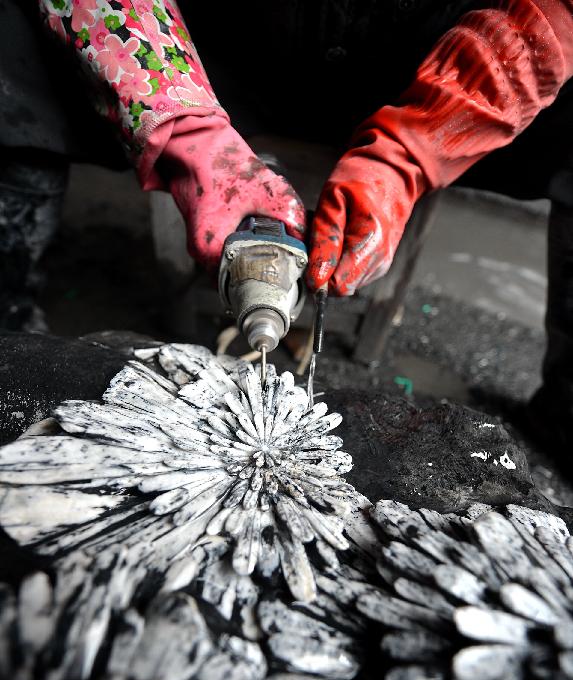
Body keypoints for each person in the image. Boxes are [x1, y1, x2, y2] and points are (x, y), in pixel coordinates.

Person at [2, 1, 573, 453]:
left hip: (424, 66)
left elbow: (553, 14)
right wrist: (181, 123)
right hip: (216, 49)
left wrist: (420, 143)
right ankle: (11, 339)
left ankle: (564, 417)